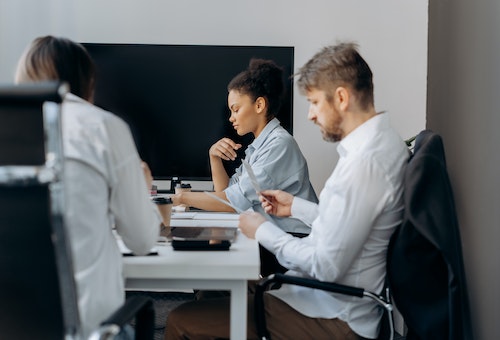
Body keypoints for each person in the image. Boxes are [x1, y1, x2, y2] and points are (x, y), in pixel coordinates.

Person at [164, 42, 409, 340]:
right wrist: (295, 206)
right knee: (215, 293)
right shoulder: (379, 145)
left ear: (341, 97)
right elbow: (343, 224)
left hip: (332, 314)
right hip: (319, 296)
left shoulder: (365, 164)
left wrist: (263, 229)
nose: (310, 115)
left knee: (180, 319)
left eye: (315, 102)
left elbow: (326, 265)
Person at [15, 36, 161, 338]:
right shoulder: (103, 127)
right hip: (87, 330)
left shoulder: (9, 125)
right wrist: (142, 189)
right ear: (86, 82)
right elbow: (142, 241)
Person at [172, 58, 317, 236]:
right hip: (273, 234)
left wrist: (180, 198)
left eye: (236, 109)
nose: (231, 118)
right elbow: (227, 195)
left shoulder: (278, 145)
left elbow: (231, 203)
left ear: (259, 105)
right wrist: (214, 157)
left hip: (293, 238)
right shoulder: (258, 147)